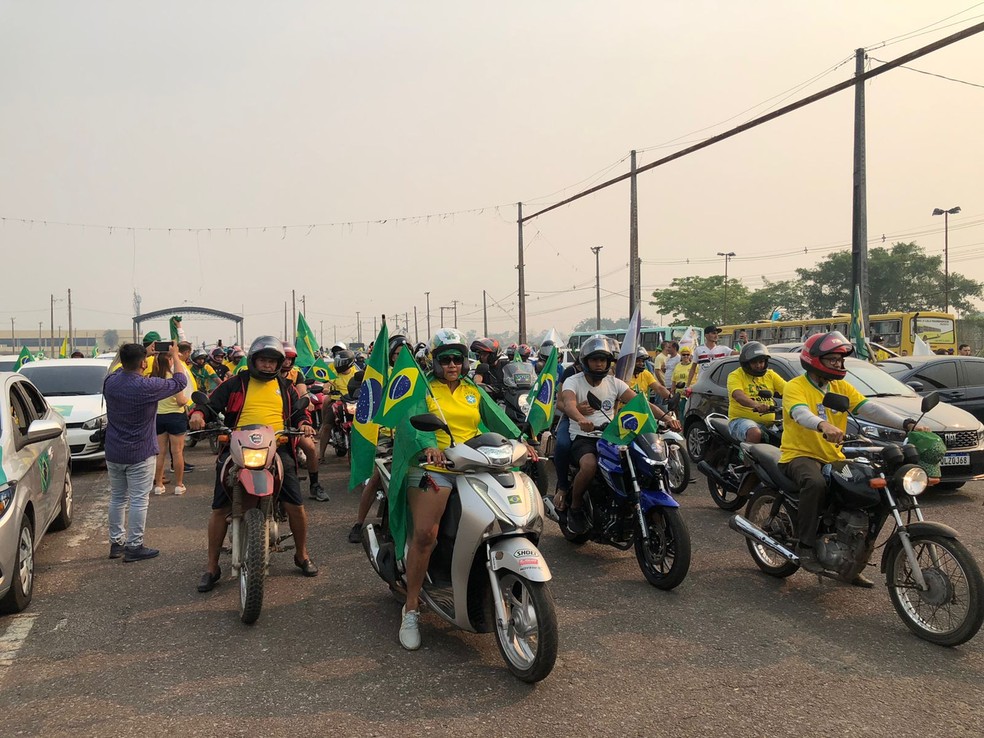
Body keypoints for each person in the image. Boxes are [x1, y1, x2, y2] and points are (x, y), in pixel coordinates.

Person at [397, 329, 535, 650]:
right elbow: (412, 421)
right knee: (425, 535)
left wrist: (521, 441)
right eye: (445, 359)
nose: (452, 365)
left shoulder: (474, 390)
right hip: (436, 467)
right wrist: (430, 447)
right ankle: (412, 607)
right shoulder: (424, 389)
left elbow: (497, 419)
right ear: (434, 362)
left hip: (475, 462)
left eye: (458, 358)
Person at [778, 332, 928, 584]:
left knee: (866, 491)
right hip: (800, 454)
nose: (838, 363)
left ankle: (851, 562)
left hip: (834, 455)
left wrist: (905, 423)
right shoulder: (796, 387)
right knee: (815, 484)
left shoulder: (840, 387)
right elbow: (800, 413)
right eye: (832, 359)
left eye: (840, 359)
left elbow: (868, 408)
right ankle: (804, 546)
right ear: (814, 359)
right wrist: (823, 425)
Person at [189, 336, 319, 592]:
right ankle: (211, 566)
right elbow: (209, 404)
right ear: (253, 361)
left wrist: (304, 422)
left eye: (273, 362)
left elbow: (301, 411)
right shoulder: (234, 384)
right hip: (237, 447)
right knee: (218, 508)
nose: (269, 366)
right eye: (264, 360)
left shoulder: (286, 387)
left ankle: (302, 554)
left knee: (296, 505)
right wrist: (197, 414)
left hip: (278, 447)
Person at [559, 335, 681, 535]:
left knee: (640, 460)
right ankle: (576, 506)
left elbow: (642, 404)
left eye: (603, 360)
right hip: (584, 437)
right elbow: (569, 404)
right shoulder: (573, 380)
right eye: (594, 359)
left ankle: (630, 503)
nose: (599, 364)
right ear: (586, 361)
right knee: (589, 465)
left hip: (612, 435)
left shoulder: (614, 383)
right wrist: (581, 419)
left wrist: (666, 418)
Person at [103, 342, 188, 562]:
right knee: (139, 500)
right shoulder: (147, 386)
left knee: (118, 498)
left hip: (114, 449)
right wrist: (175, 356)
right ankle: (134, 546)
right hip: (140, 451)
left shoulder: (110, 382)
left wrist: (142, 352)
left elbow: (115, 366)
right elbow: (180, 381)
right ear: (143, 363)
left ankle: (116, 544)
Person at [347, 334, 410, 543]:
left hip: (411, 437)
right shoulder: (382, 377)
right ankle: (359, 522)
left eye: (405, 353)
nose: (401, 357)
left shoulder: (418, 376)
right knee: (376, 478)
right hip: (384, 436)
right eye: (397, 354)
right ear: (390, 356)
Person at [281, 341, 327, 502]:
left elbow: (302, 393)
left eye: (290, 359)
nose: (287, 362)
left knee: (310, 447)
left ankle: (315, 485)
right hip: (268, 423)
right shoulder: (265, 375)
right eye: (284, 358)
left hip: (293, 417)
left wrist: (306, 401)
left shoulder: (296, 374)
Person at [151, 341, 194, 496]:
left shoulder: (153, 378)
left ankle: (158, 485)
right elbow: (181, 400)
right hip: (175, 417)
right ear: (170, 360)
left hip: (158, 417)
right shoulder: (173, 378)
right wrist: (188, 401)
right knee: (177, 452)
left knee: (160, 453)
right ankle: (179, 484)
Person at [727, 342, 785, 443]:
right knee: (755, 433)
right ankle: (746, 458)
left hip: (770, 423)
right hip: (741, 420)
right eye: (754, 363)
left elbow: (788, 390)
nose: (759, 366)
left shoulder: (770, 375)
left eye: (761, 362)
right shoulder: (736, 375)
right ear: (746, 363)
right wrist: (756, 405)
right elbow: (738, 396)